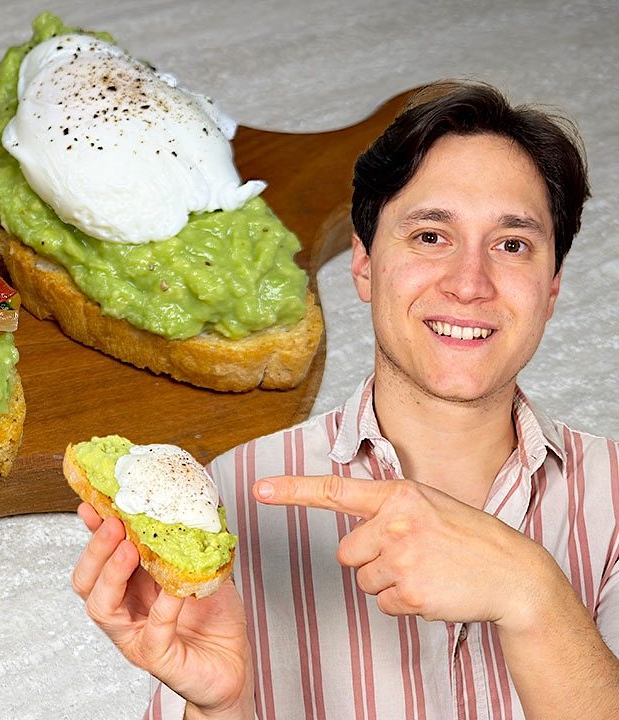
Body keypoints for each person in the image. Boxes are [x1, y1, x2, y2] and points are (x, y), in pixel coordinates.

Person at [71, 80, 619, 720]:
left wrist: (532, 591)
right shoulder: (236, 495)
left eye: (512, 245)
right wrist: (218, 705)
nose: (470, 283)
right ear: (363, 263)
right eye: (430, 236)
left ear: (551, 290)